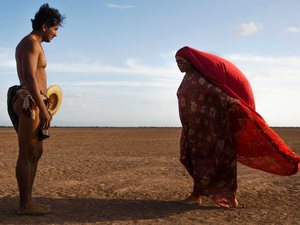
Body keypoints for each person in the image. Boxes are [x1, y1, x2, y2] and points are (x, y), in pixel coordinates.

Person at [175, 46, 300, 208]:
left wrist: (232, 100)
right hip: (193, 131)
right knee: (189, 158)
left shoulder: (199, 78)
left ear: (191, 62)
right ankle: (200, 194)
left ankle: (224, 196)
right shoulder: (187, 79)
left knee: (216, 161)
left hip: (210, 130)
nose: (179, 65)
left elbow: (217, 92)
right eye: (177, 63)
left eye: (181, 62)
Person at [7, 4, 65, 215]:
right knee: (27, 153)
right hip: (29, 102)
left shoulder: (34, 44)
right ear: (44, 26)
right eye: (55, 29)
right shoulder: (30, 43)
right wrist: (42, 108)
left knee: (36, 152)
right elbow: (30, 77)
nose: (56, 34)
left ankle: (28, 200)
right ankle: (25, 204)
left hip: (35, 100)